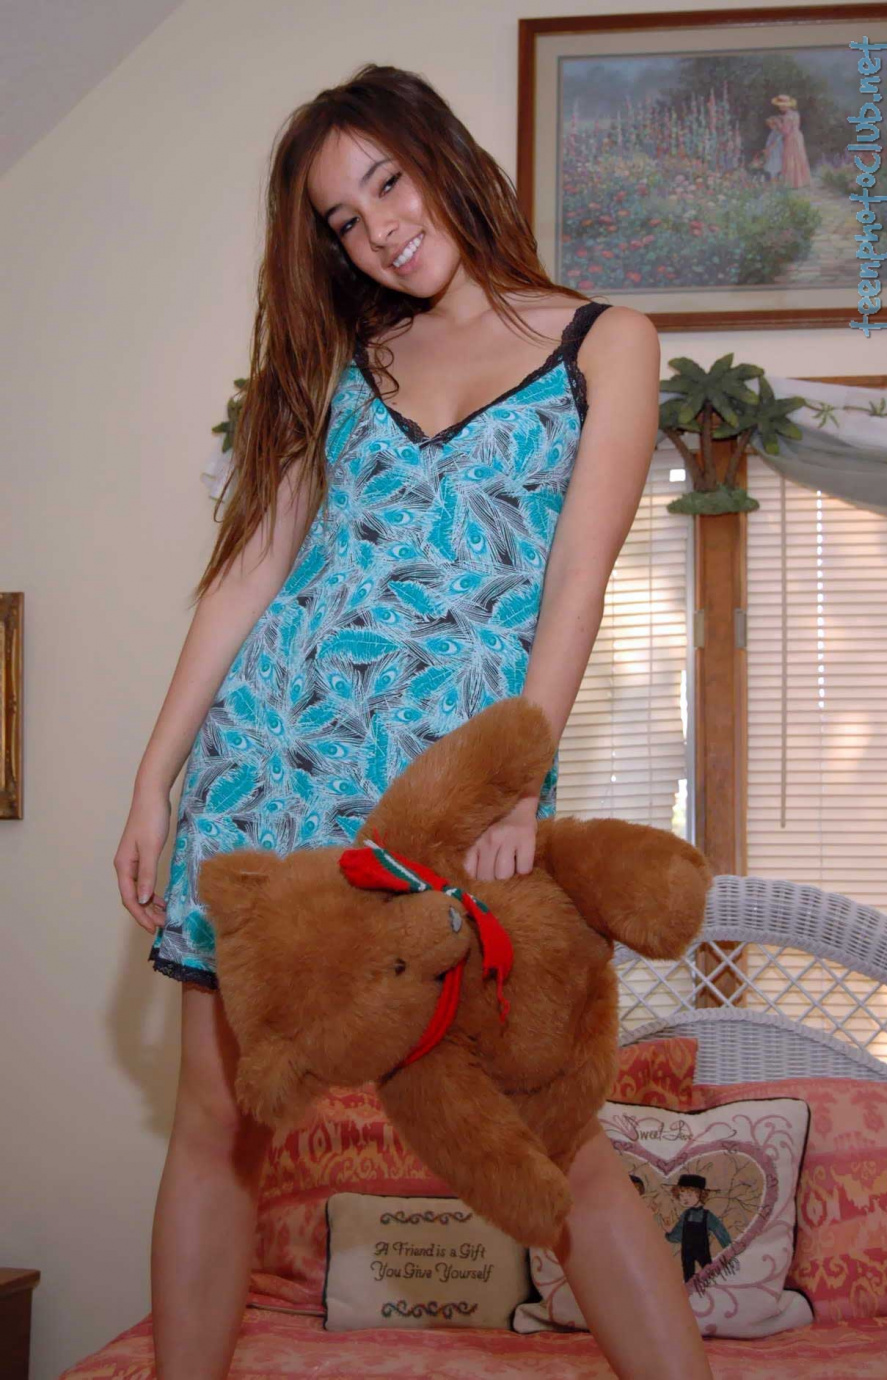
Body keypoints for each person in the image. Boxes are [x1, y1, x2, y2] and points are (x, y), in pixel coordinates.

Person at [114, 61, 712, 1380]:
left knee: (554, 1137)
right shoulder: (339, 360)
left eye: (387, 181)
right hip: (269, 772)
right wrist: (156, 777)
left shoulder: (604, 341)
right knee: (218, 1126)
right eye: (343, 217)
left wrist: (518, 788)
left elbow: (578, 578)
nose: (378, 228)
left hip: (450, 802)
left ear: (444, 157)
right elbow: (252, 570)